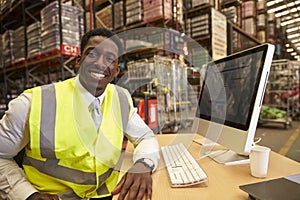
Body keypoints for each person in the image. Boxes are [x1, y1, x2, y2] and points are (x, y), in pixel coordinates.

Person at [0, 28, 160, 200]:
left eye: (109, 59)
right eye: (92, 54)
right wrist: (27, 195)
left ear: (116, 71)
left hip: (108, 194)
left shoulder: (120, 98)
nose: (100, 63)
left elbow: (145, 137)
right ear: (79, 61)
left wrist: (143, 164)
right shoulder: (31, 103)